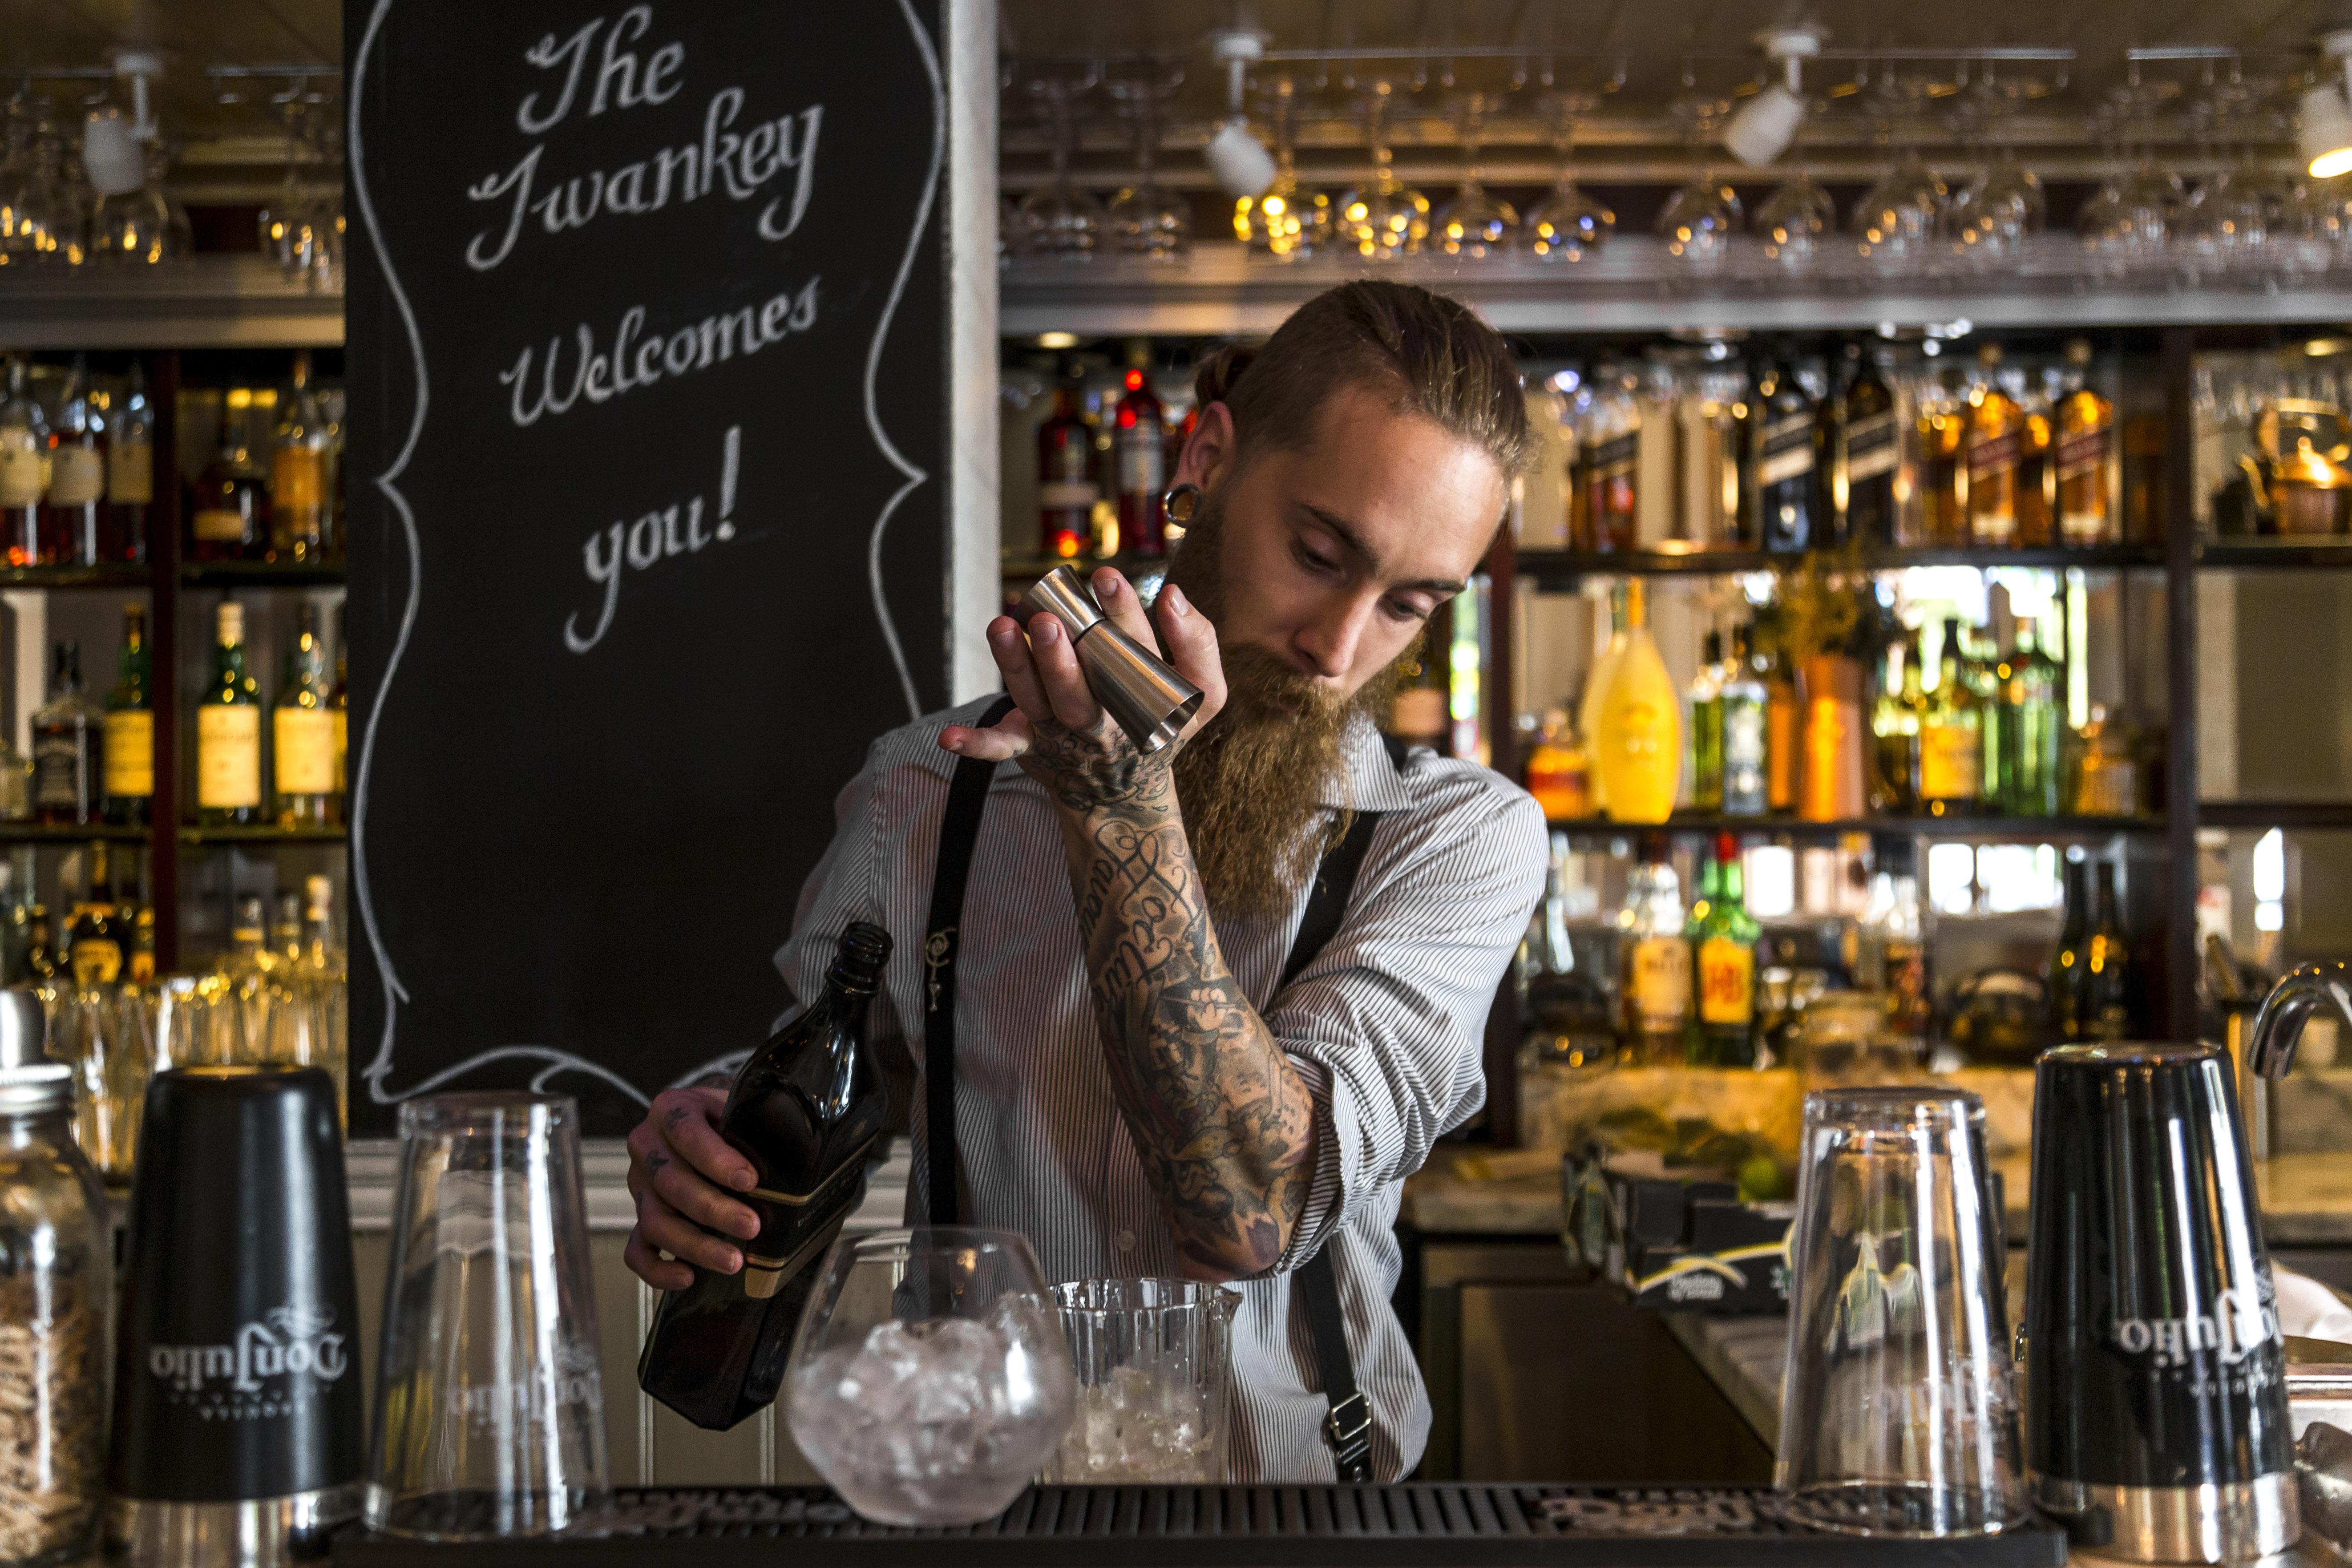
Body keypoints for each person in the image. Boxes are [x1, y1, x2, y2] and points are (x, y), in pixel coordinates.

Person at [624, 280, 1548, 1480]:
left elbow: (1247, 1210)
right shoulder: (926, 790)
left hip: (1299, 1523)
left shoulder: (1455, 835)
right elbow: (843, 1076)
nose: (1338, 647)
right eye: (1320, 553)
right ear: (1208, 457)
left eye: (1409, 608)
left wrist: (1120, 811)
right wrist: (714, 1144)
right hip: (985, 1509)